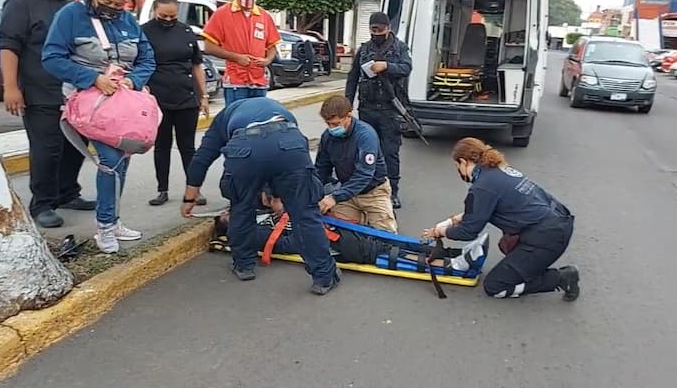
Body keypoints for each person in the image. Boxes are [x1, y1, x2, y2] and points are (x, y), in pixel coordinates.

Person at [182, 97, 342, 295]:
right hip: (289, 143)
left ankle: (244, 266)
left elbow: (201, 159)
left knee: (241, 208)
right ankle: (324, 277)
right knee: (305, 214)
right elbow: (277, 153)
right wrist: (275, 195)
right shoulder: (279, 109)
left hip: (245, 149)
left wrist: (189, 199)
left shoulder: (223, 119)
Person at [42, 0, 156, 253]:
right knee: (111, 159)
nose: (114, 10)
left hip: (123, 102)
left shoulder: (128, 21)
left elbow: (147, 59)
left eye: (120, 5)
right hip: (88, 103)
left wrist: (134, 81)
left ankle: (114, 220)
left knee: (124, 158)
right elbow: (51, 57)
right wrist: (92, 79)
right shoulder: (70, 15)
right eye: (108, 3)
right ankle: (105, 226)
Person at [423, 137, 581, 301]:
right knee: (506, 245)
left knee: (495, 286)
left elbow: (468, 232)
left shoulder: (482, 187)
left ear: (463, 162)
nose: (458, 171)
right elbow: (485, 209)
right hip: (558, 221)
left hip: (548, 237)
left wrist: (441, 231)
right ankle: (527, 265)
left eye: (457, 166)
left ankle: (562, 278)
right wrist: (453, 220)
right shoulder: (498, 170)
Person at [0, 0, 96, 228]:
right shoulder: (23, 2)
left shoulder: (71, 7)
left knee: (75, 146)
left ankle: (67, 193)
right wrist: (10, 87)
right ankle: (42, 204)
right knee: (47, 150)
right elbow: (9, 45)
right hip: (39, 91)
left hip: (73, 92)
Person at [209, 192, 488, 277]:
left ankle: (457, 253)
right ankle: (456, 267)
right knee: (386, 253)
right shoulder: (252, 234)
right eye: (229, 218)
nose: (234, 215)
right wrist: (312, 233)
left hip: (333, 231)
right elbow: (285, 244)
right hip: (331, 243)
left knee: (386, 240)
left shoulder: (260, 219)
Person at [141, 0, 210, 207]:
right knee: (162, 146)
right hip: (157, 99)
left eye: (173, 16)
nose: (169, 20)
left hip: (186, 97)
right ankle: (162, 189)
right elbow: (137, 65)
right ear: (155, 11)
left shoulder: (186, 31)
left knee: (188, 147)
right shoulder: (144, 32)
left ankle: (194, 190)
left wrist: (204, 95)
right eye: (164, 16)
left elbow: (196, 65)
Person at [345, 11, 412, 210]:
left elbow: (406, 68)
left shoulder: (400, 48)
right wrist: (347, 103)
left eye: (379, 30)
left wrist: (387, 66)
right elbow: (353, 77)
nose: (376, 33)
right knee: (366, 150)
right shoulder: (364, 49)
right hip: (367, 108)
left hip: (390, 109)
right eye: (373, 30)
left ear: (388, 28)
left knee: (390, 152)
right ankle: (368, 185)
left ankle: (392, 191)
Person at [315, 95, 398, 233]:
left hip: (374, 192)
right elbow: (321, 169)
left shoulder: (366, 135)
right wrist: (312, 192)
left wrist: (334, 198)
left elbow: (364, 175)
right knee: (342, 234)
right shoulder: (327, 137)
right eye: (328, 124)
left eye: (336, 124)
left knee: (386, 237)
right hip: (347, 194)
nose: (331, 128)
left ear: (349, 116)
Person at [200, 0, 280, 104]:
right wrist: (236, 57)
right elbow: (209, 47)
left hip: (259, 82)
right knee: (236, 120)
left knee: (258, 121)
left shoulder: (264, 16)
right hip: (235, 82)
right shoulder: (222, 14)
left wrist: (267, 60)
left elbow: (272, 45)